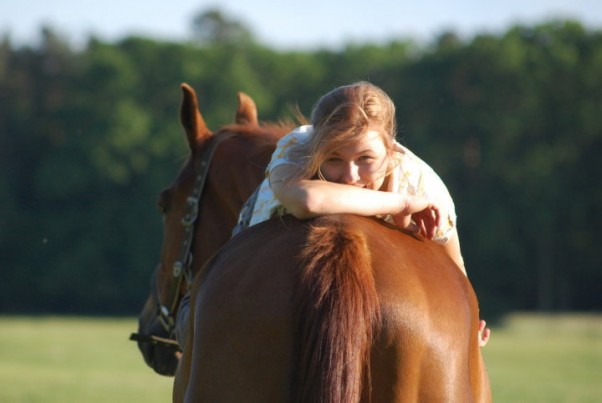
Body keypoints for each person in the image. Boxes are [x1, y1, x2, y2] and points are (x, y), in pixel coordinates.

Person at [177, 81, 490, 347]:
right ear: (315, 148)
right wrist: (402, 205)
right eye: (333, 159)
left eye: (366, 157)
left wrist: (467, 321)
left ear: (391, 150)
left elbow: (454, 265)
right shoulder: (295, 149)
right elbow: (309, 200)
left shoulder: (424, 184)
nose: (350, 175)